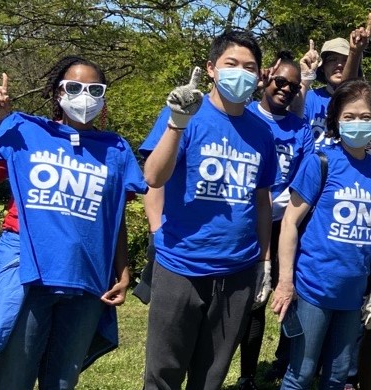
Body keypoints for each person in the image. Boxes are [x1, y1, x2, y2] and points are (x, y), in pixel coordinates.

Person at [0, 56, 143, 388]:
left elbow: (113, 217)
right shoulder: (24, 131)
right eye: (73, 87)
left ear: (103, 97)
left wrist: (123, 271)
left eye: (94, 89)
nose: (84, 95)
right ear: (58, 94)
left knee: (61, 380)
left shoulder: (115, 149)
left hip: (87, 277)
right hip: (26, 269)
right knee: (14, 376)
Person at [140, 30, 278, 389]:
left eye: (250, 67)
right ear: (211, 68)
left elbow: (261, 201)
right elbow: (153, 178)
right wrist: (177, 122)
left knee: (211, 376)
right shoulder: (185, 115)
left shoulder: (261, 132)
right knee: (163, 373)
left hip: (237, 270)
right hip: (180, 265)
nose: (240, 72)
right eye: (231, 63)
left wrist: (264, 261)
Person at [270, 79, 371, 389]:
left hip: (352, 296)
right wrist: (285, 282)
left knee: (337, 377)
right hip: (314, 289)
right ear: (336, 120)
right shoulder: (320, 162)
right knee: (301, 374)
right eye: (349, 117)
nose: (357, 123)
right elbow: (289, 223)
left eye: (365, 117)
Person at [233, 52, 315, 390]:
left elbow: (306, 174)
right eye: (280, 81)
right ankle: (246, 374)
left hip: (287, 221)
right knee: (253, 299)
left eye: (293, 87)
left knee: (287, 292)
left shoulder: (302, 130)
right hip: (247, 220)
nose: (285, 89)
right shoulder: (246, 115)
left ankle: (284, 361)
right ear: (266, 78)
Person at [304, 13, 371, 150]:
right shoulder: (308, 99)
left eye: (345, 60)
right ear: (322, 68)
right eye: (332, 60)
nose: (339, 65)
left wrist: (355, 52)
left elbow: (346, 92)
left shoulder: (364, 102)